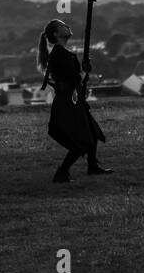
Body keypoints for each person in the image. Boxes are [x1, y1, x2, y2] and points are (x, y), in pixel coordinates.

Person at [38, 19, 112, 182]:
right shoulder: (61, 54)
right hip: (68, 102)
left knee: (91, 133)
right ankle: (62, 172)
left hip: (71, 100)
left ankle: (92, 166)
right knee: (81, 140)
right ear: (56, 34)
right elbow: (74, 79)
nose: (68, 27)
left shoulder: (62, 53)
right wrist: (84, 72)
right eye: (63, 26)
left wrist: (82, 72)